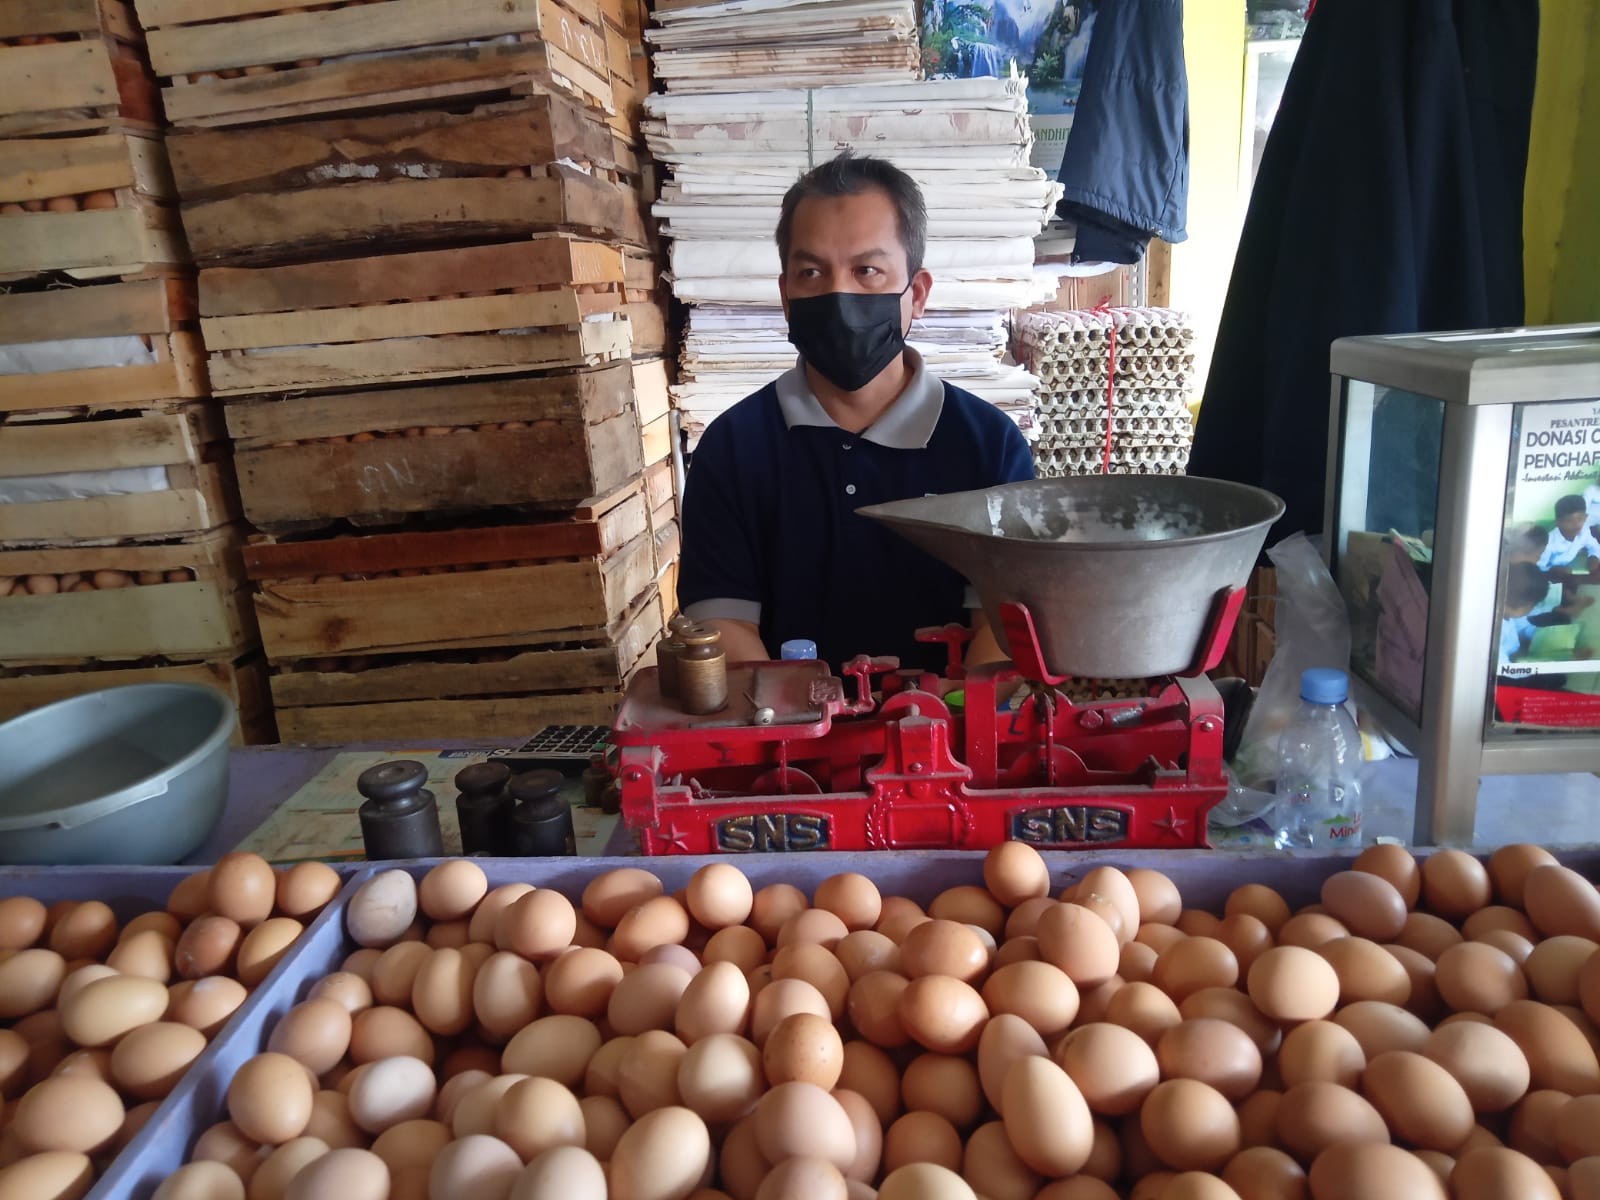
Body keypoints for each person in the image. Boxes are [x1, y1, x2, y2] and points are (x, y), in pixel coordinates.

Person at [676, 152, 1035, 672]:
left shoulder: (989, 446)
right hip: (785, 738)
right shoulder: (733, 450)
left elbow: (1002, 634)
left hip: (949, 740)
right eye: (811, 272)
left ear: (918, 293)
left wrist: (945, 729)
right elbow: (722, 626)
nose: (838, 295)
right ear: (785, 295)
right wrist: (797, 731)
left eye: (867, 270)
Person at [1537, 495, 1600, 574]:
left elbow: (1595, 546)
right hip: (1552, 575)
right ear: (1558, 522)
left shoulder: (1584, 530)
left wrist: (1594, 557)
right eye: (1569, 521)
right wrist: (1552, 570)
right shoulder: (1549, 543)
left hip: (1570, 569)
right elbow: (1538, 567)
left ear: (1585, 517)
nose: (1576, 525)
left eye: (1580, 519)